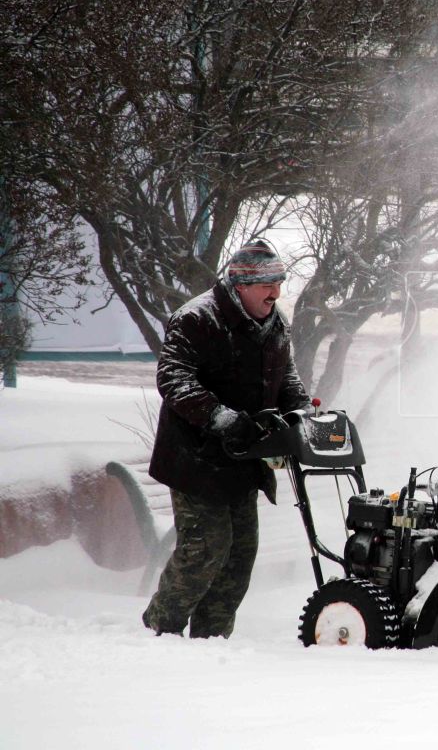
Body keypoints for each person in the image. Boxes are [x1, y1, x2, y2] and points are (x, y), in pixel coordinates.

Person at [142, 240, 309, 638]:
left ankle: (212, 638)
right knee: (206, 549)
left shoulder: (274, 323)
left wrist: (301, 413)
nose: (276, 293)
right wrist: (225, 420)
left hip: (244, 459)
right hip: (196, 459)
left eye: (280, 282)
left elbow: (286, 378)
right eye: (268, 284)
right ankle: (160, 629)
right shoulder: (197, 318)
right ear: (240, 285)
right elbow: (173, 379)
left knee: (238, 556)